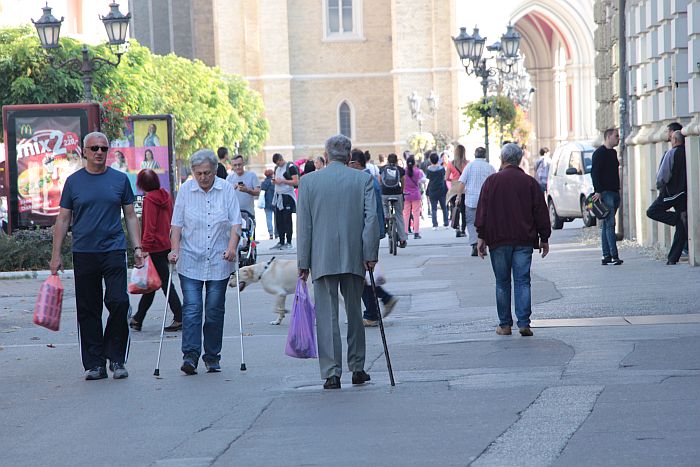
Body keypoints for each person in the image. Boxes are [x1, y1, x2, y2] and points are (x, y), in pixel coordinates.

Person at [50, 131, 144, 381]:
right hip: (84, 252)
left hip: (113, 250)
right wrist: (55, 254)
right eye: (94, 148)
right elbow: (63, 219)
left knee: (119, 302)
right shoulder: (73, 182)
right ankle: (95, 363)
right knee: (88, 308)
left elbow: (131, 216)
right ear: (84, 151)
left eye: (103, 148)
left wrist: (137, 248)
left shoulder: (120, 180)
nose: (99, 152)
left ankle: (116, 357)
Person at [297, 134, 380, 390]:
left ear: (326, 154)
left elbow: (304, 225)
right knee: (354, 312)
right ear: (349, 154)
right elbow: (371, 220)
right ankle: (357, 367)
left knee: (327, 315)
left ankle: (332, 372)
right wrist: (370, 254)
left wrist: (303, 261)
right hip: (354, 255)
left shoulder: (309, 182)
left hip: (321, 256)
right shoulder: (363, 179)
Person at [169, 149, 242, 375]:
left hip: (220, 259)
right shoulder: (186, 192)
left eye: (207, 173)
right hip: (191, 259)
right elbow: (177, 225)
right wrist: (174, 249)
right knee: (192, 309)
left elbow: (235, 224)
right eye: (198, 173)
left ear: (214, 171)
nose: (203, 177)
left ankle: (212, 356)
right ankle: (190, 356)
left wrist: (231, 248)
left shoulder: (226, 189)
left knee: (213, 310)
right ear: (193, 172)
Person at [475, 143, 551, 337]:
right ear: (519, 159)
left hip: (498, 239)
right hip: (524, 239)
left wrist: (481, 237)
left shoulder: (492, 182)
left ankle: (505, 325)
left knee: (502, 282)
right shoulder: (529, 183)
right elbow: (540, 211)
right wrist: (544, 237)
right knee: (523, 280)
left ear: (502, 159)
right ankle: (524, 322)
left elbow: (482, 212)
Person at [129, 169, 183, 332]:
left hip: (155, 246)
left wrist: (144, 248)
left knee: (163, 282)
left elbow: (149, 226)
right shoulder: (165, 196)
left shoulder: (150, 200)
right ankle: (138, 318)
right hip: (166, 243)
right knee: (153, 282)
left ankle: (180, 316)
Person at [348, 151, 397, 326]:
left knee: (362, 274)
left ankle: (372, 312)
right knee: (364, 275)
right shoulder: (368, 179)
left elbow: (368, 213)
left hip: (365, 233)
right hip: (368, 232)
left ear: (355, 163)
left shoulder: (363, 181)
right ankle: (382, 301)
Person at [646, 130, 687, 265]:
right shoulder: (688, 151)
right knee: (682, 228)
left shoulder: (672, 153)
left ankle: (676, 218)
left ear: (675, 140)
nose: (670, 140)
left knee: (652, 211)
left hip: (671, 194)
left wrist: (660, 187)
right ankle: (672, 258)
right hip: (684, 193)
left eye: (671, 138)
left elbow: (663, 176)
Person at [591, 128, 623, 265]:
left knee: (606, 225)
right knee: (610, 225)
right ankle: (614, 256)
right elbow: (594, 173)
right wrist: (598, 190)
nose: (618, 138)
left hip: (615, 192)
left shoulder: (613, 152)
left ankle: (606, 256)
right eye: (616, 136)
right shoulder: (599, 153)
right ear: (608, 137)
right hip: (605, 193)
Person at [456, 147, 496, 256]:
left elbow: (462, 183)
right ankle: (484, 245)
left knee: (471, 222)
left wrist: (458, 197)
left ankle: (474, 243)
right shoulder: (490, 167)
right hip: (486, 201)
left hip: (471, 200)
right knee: (486, 223)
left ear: (475, 154)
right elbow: (495, 184)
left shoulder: (469, 166)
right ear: (485, 155)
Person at [271, 153, 299, 249]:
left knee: (287, 219)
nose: (278, 165)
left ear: (281, 159)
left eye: (278, 163)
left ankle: (289, 241)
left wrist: (282, 181)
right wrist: (275, 181)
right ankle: (281, 240)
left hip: (287, 196)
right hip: (279, 196)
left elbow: (296, 181)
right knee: (279, 220)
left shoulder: (290, 167)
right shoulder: (277, 169)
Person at [379, 153, 407, 248]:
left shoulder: (382, 169)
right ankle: (402, 239)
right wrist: (402, 191)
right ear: (396, 161)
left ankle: (387, 218)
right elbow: (403, 181)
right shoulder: (400, 170)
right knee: (399, 215)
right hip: (397, 193)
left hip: (385, 194)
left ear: (387, 161)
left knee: (385, 206)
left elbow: (380, 181)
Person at [446, 144, 467, 237]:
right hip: (464, 189)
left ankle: (457, 227)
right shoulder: (467, 163)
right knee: (464, 210)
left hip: (454, 190)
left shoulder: (451, 164)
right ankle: (463, 230)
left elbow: (446, 178)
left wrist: (454, 180)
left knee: (455, 208)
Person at [403, 155, 425, 239]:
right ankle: (416, 232)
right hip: (416, 194)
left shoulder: (404, 171)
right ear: (414, 163)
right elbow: (423, 180)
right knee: (416, 214)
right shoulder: (418, 171)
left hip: (406, 195)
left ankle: (405, 231)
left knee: (406, 214)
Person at [426, 152, 449, 230]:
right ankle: (446, 223)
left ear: (431, 160)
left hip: (432, 189)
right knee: (444, 207)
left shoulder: (429, 169)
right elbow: (444, 176)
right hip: (441, 189)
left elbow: (428, 178)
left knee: (434, 208)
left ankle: (435, 224)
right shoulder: (441, 169)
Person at [260, 169, 276, 239]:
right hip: (275, 202)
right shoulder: (274, 182)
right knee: (277, 219)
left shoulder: (263, 183)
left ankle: (271, 233)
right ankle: (277, 233)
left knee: (268, 219)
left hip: (267, 203)